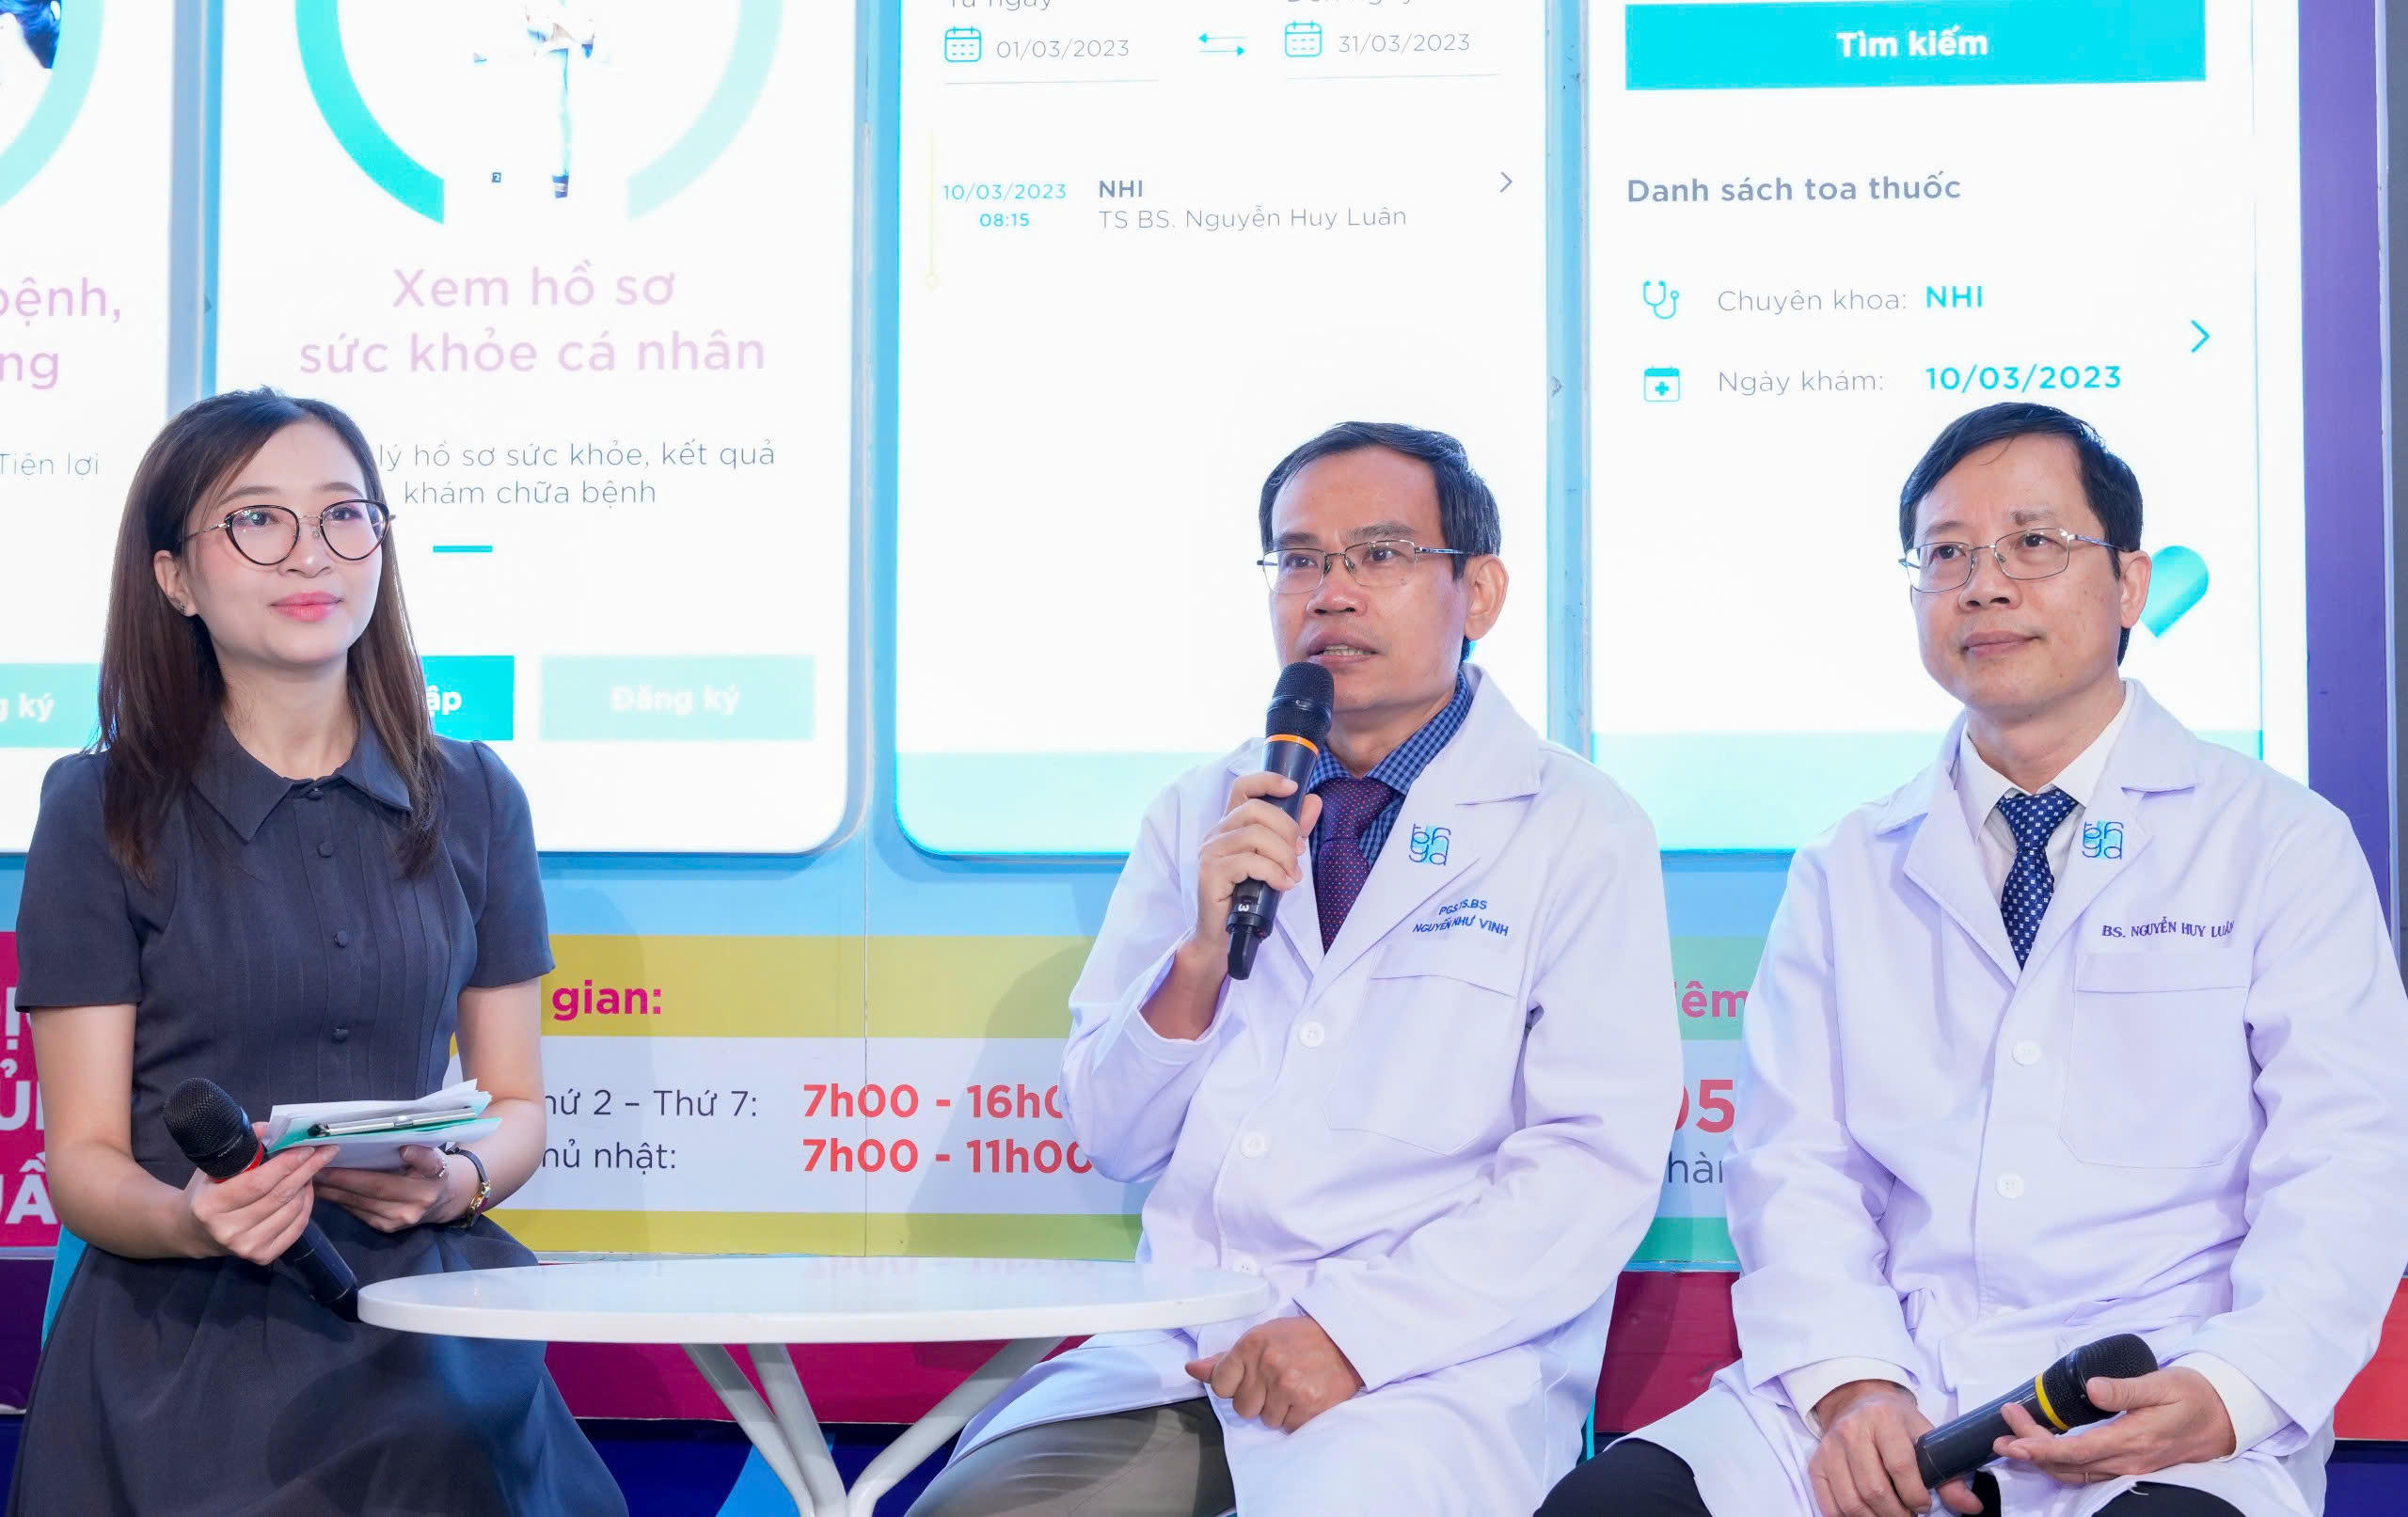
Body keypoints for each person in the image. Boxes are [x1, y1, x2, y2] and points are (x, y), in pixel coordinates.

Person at [1540, 403, 2408, 1517]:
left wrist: (2228, 1388)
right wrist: (1855, 1384)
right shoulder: (1849, 864)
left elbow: (2347, 1156)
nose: (1984, 585)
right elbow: (1795, 1166)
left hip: (2155, 1392)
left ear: (2130, 584)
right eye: (1946, 553)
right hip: (1892, 1382)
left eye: (2032, 543)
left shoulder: (2274, 840)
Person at [909, 421, 1681, 1517]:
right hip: (1183, 1340)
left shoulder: (1576, 825)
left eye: (1379, 554)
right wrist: (1197, 959)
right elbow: (1113, 1135)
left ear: (1479, 590)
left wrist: (1353, 1333)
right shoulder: (1200, 809)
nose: (1330, 593)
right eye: (1300, 559)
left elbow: (1591, 1160)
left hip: (1429, 1364)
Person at [8, 389, 626, 1514]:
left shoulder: (475, 793)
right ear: (174, 577)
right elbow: (86, 1159)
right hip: (186, 1343)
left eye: (346, 514)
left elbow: (517, 1103)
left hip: (427, 1326)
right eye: (257, 519)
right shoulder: (101, 807)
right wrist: (190, 1217)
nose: (312, 552)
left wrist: (456, 1182)